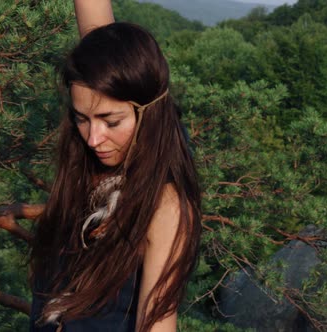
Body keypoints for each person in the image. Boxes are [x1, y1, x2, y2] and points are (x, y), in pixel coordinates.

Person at [29, 1, 201, 331]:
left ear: (147, 110)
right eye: (81, 119)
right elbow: (99, 37)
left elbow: (156, 324)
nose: (93, 139)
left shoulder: (165, 203)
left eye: (111, 121)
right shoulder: (104, 98)